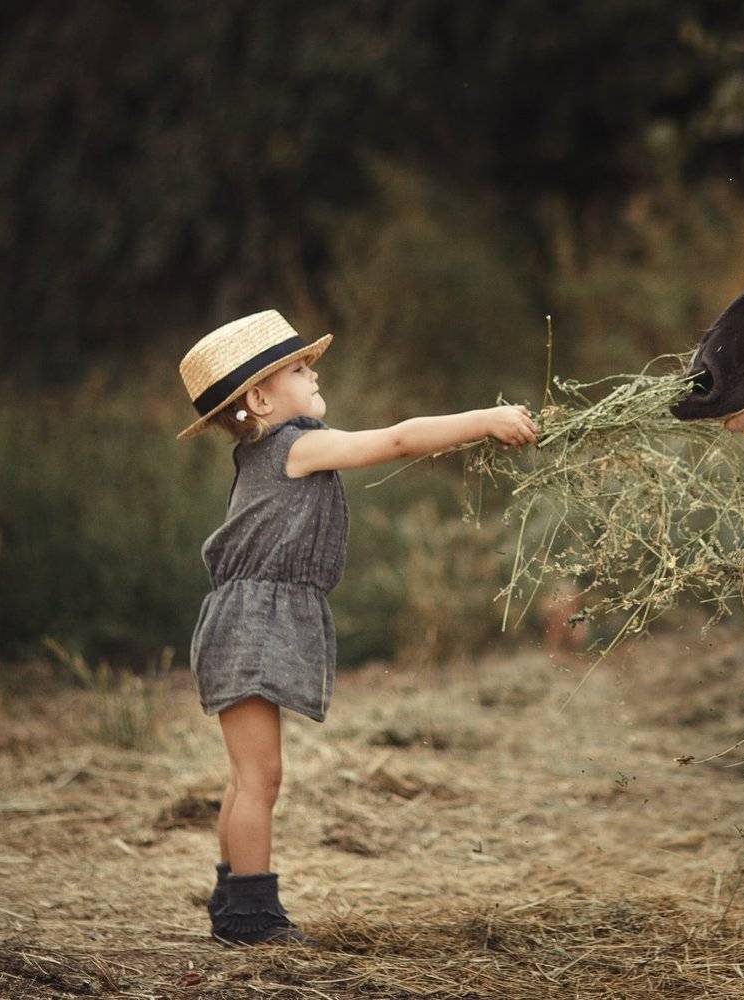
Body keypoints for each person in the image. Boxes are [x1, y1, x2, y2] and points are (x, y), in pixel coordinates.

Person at [176, 310, 537, 945]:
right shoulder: (294, 447)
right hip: (253, 623)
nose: (312, 371)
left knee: (247, 777)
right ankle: (251, 917)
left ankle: (233, 897)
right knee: (259, 779)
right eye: (297, 367)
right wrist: (484, 421)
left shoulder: (259, 453)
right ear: (259, 398)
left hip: (243, 619)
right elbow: (396, 440)